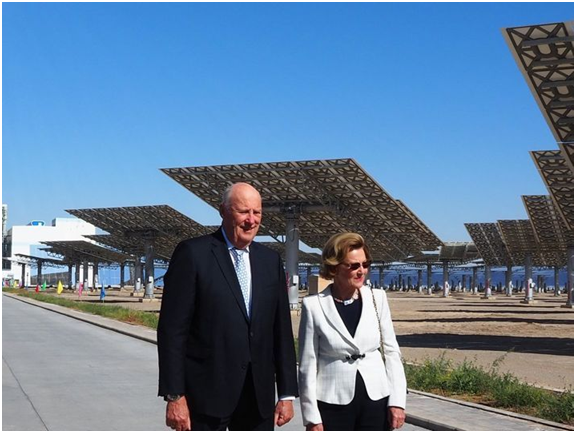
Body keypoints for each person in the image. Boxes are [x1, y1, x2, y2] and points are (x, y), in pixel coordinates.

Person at [157, 182, 298, 431]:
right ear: (222, 211)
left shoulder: (270, 261)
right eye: (243, 212)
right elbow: (172, 331)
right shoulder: (193, 254)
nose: (251, 220)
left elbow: (281, 331)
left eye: (257, 212)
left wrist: (286, 393)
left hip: (257, 399)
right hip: (205, 398)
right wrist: (174, 395)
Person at [298, 232, 406, 431]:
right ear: (334, 267)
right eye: (353, 266)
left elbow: (392, 352)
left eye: (365, 264)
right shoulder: (313, 306)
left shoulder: (378, 298)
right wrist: (311, 416)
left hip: (376, 399)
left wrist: (397, 402)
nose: (361, 271)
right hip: (333, 403)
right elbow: (307, 364)